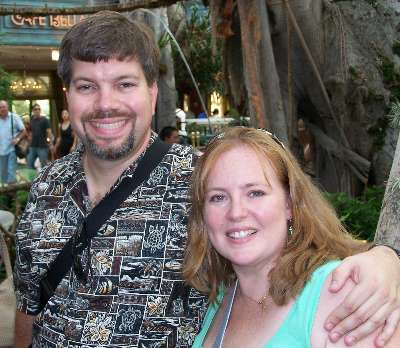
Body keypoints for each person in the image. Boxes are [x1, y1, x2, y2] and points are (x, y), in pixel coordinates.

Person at [13, 11, 400, 348]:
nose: (105, 104)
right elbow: (29, 308)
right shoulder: (46, 186)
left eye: (124, 84)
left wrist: (386, 261)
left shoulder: (207, 181)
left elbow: (300, 237)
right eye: (87, 86)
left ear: (151, 92)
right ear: (68, 96)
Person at [184, 127, 400, 348]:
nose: (236, 212)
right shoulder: (223, 297)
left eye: (255, 193)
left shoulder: (337, 294)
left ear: (289, 204)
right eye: (218, 197)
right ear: (203, 214)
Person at [0, 100, 25, 185]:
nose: (2, 109)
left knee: (11, 172)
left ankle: (12, 195)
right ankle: (5, 194)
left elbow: (23, 131)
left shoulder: (14, 117)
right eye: (0, 107)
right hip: (1, 151)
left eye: (3, 107)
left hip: (12, 150)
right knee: (3, 173)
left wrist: (17, 139)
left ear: (7, 107)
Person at [27, 103, 53, 169]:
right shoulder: (32, 119)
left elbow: (49, 132)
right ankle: (33, 178)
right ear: (33, 111)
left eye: (39, 109)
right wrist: (29, 141)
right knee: (29, 163)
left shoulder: (45, 120)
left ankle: (44, 179)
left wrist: (51, 144)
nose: (37, 110)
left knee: (44, 166)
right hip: (33, 146)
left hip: (42, 146)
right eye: (35, 109)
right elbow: (30, 131)